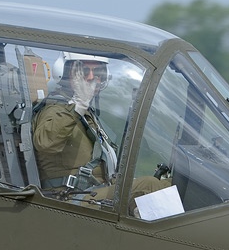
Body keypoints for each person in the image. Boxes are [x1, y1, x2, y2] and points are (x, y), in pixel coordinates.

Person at [33, 52, 168, 214]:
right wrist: (78, 105)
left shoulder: (84, 112)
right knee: (150, 186)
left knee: (169, 186)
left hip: (91, 191)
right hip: (68, 199)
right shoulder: (55, 108)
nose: (92, 77)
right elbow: (45, 142)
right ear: (65, 72)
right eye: (83, 71)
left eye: (98, 73)